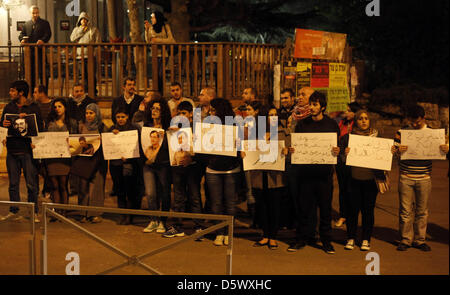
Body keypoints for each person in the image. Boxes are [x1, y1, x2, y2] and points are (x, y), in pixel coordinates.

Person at [287, 91, 340, 254]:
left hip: (324, 175)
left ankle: (326, 241)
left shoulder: (331, 124)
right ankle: (301, 239)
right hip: (305, 175)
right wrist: (294, 149)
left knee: (325, 210)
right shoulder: (303, 124)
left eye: (315, 104)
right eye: (311, 104)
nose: (311, 107)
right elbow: (298, 144)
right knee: (304, 209)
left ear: (322, 107)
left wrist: (337, 150)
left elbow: (337, 146)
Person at [394, 105, 449, 252]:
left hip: (424, 177)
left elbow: (442, 152)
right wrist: (397, 151)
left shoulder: (433, 134)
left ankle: (420, 240)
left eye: (417, 122)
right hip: (405, 176)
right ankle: (405, 239)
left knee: (422, 211)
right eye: (412, 121)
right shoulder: (402, 132)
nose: (415, 124)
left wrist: (446, 149)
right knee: (405, 210)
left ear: (423, 118)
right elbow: (393, 153)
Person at [340, 110, 390, 251]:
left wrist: (390, 151)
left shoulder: (377, 137)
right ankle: (350, 237)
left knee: (368, 211)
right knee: (352, 211)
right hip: (353, 180)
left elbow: (384, 155)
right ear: (356, 121)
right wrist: (345, 154)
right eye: (360, 118)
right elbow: (340, 159)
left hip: (370, 182)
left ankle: (366, 239)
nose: (363, 121)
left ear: (369, 121)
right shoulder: (348, 138)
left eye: (366, 118)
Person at [244, 105, 288, 250]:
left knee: (274, 207)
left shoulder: (283, 132)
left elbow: (290, 152)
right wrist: (244, 153)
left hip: (275, 177)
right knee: (261, 207)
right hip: (258, 175)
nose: (273, 117)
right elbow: (247, 149)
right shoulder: (255, 132)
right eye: (270, 114)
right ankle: (265, 235)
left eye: (275, 115)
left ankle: (273, 237)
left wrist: (288, 151)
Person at [0, 80, 43, 222]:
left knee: (31, 183)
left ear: (21, 92)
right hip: (12, 150)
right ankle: (14, 210)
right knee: (13, 183)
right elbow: (2, 126)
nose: (10, 93)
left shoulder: (33, 107)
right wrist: (4, 125)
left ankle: (34, 211)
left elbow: (40, 129)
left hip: (27, 151)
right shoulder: (9, 107)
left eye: (13, 90)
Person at [163, 101, 204, 238]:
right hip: (177, 167)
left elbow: (202, 149)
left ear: (191, 114)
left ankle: (198, 226)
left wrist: (192, 158)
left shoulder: (198, 129)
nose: (181, 116)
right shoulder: (174, 128)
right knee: (178, 197)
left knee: (194, 196)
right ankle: (177, 226)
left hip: (193, 168)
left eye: (184, 113)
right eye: (179, 113)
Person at [205, 98, 241, 246]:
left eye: (213, 110)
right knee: (216, 203)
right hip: (213, 168)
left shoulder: (233, 124)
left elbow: (240, 145)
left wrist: (239, 145)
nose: (210, 112)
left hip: (231, 169)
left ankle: (229, 232)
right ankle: (219, 232)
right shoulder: (208, 124)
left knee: (231, 204)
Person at [133, 98, 172, 233]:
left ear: (163, 111)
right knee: (150, 194)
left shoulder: (168, 127)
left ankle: (163, 221)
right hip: (148, 165)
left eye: (157, 109)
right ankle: (153, 219)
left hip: (164, 165)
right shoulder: (146, 126)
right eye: (152, 108)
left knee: (165, 193)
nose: (154, 111)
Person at [72, 103, 108, 223]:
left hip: (98, 161)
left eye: (91, 113)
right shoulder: (81, 126)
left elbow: (109, 143)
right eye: (87, 113)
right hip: (84, 161)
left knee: (96, 188)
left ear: (96, 114)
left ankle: (94, 213)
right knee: (83, 187)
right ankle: (83, 212)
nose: (88, 115)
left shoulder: (103, 127)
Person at [45, 98, 78, 219]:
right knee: (54, 185)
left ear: (65, 107)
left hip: (65, 159)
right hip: (51, 158)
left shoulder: (72, 123)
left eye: (60, 106)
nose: (57, 109)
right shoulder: (49, 122)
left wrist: (72, 143)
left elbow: (76, 139)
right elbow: (43, 138)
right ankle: (56, 211)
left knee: (63, 184)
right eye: (55, 107)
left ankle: (64, 211)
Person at [109, 109, 142, 225]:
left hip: (130, 165)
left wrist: (128, 158)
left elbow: (137, 147)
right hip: (115, 165)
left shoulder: (134, 129)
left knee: (130, 191)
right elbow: (109, 148)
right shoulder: (111, 130)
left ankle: (129, 216)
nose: (120, 119)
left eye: (122, 116)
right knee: (119, 190)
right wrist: (112, 136)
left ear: (127, 116)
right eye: (118, 117)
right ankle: (122, 215)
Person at [335, 101, 361, 228]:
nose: (345, 113)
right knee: (343, 189)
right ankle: (343, 215)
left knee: (353, 189)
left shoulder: (358, 126)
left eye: (349, 110)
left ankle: (352, 215)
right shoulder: (341, 122)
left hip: (355, 162)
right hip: (341, 160)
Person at [19, 5, 51, 91]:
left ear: (39, 13)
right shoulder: (26, 24)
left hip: (40, 51)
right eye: (33, 13)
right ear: (30, 13)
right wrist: (22, 39)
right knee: (31, 72)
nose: (35, 15)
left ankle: (44, 91)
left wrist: (42, 40)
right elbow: (21, 34)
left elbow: (48, 34)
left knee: (43, 72)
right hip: (29, 53)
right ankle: (32, 92)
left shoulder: (45, 23)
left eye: (37, 13)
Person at [70, 12, 101, 94]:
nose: (83, 21)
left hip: (91, 56)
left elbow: (98, 42)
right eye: (82, 19)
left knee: (92, 74)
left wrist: (95, 53)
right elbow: (72, 39)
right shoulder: (76, 30)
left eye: (85, 19)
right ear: (79, 21)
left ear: (88, 20)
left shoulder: (93, 29)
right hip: (80, 56)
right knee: (83, 75)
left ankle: (93, 91)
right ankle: (85, 91)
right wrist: (81, 31)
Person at [144, 11, 176, 91]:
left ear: (157, 18)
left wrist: (157, 40)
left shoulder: (165, 27)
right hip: (154, 55)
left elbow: (171, 40)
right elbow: (148, 41)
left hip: (164, 55)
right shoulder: (151, 28)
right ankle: (156, 92)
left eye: (153, 17)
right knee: (155, 75)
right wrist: (146, 30)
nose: (151, 19)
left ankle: (160, 92)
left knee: (161, 74)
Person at [33, 84, 53, 201]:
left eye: (35, 92)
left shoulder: (52, 105)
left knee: (48, 167)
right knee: (39, 167)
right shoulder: (35, 106)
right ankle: (44, 189)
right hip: (39, 140)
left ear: (42, 93)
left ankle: (47, 189)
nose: (34, 95)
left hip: (50, 140)